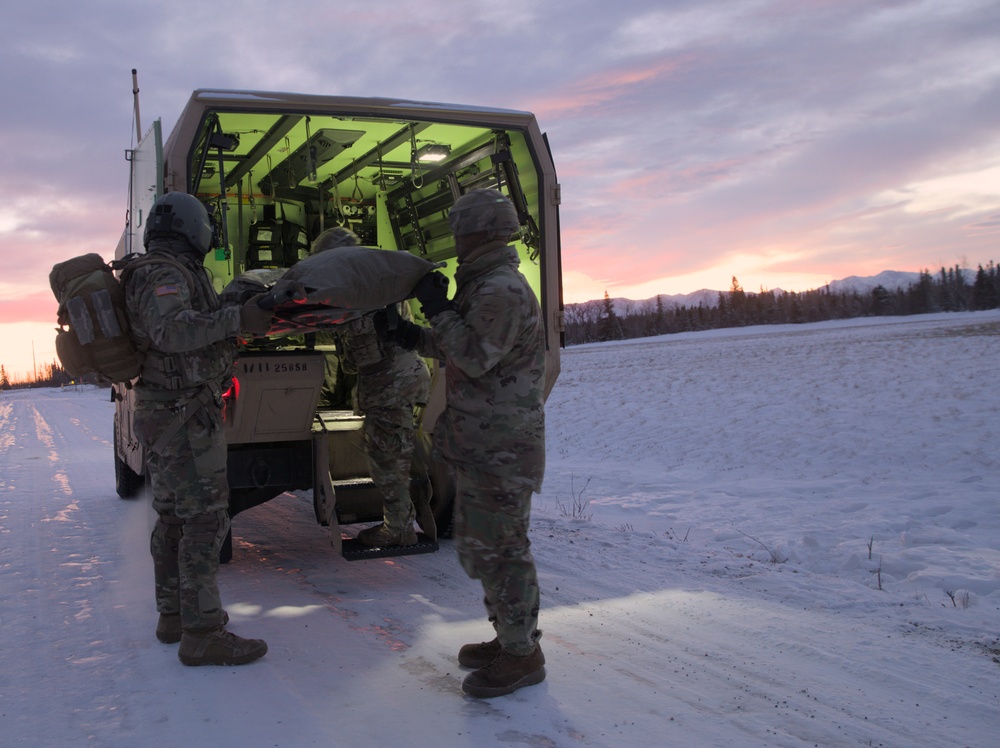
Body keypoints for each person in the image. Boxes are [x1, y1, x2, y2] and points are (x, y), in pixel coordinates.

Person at [391, 189, 547, 698]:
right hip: (484, 444)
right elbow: (458, 345)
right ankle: (511, 638)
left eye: (460, 231)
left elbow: (475, 354)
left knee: (504, 549)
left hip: (503, 446)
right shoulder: (484, 288)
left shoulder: (501, 289)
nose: (455, 241)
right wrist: (411, 334)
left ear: (481, 233)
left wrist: (435, 309)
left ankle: (523, 656)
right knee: (486, 546)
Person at [124, 191, 276, 666]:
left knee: (174, 517)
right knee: (205, 521)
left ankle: (175, 618)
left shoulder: (164, 271)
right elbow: (171, 331)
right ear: (194, 229)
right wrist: (237, 317)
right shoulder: (163, 272)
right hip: (183, 415)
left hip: (173, 412)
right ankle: (203, 632)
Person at [310, 226, 434, 547]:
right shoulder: (378, 283)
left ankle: (398, 529)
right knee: (393, 455)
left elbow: (359, 358)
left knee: (387, 460)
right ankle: (401, 521)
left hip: (390, 387)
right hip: (401, 382)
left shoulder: (360, 296)